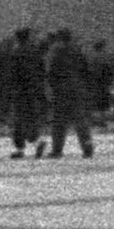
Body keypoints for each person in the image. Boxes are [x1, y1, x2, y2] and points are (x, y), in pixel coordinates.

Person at [45, 29, 94, 158]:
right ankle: (87, 145)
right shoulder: (77, 50)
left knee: (59, 121)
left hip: (61, 89)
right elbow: (85, 69)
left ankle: (57, 149)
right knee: (80, 119)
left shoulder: (54, 50)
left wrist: (51, 87)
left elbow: (50, 71)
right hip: (76, 87)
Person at [10, 28, 48, 159]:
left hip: (20, 90)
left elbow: (12, 73)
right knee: (31, 117)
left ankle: (21, 148)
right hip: (34, 89)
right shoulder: (35, 51)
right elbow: (42, 69)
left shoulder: (16, 52)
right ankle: (36, 141)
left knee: (19, 120)